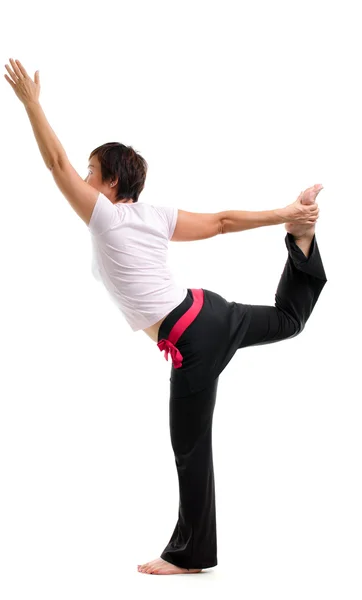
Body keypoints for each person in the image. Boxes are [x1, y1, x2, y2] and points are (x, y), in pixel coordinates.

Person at [84, 142, 327, 576]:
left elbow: (54, 164)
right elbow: (220, 223)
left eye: (91, 172)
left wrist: (31, 104)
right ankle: (302, 239)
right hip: (207, 313)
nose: (84, 182)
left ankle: (189, 557)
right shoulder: (151, 214)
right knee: (289, 320)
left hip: (193, 337)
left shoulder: (106, 215)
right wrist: (287, 215)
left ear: (112, 181)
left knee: (190, 448)